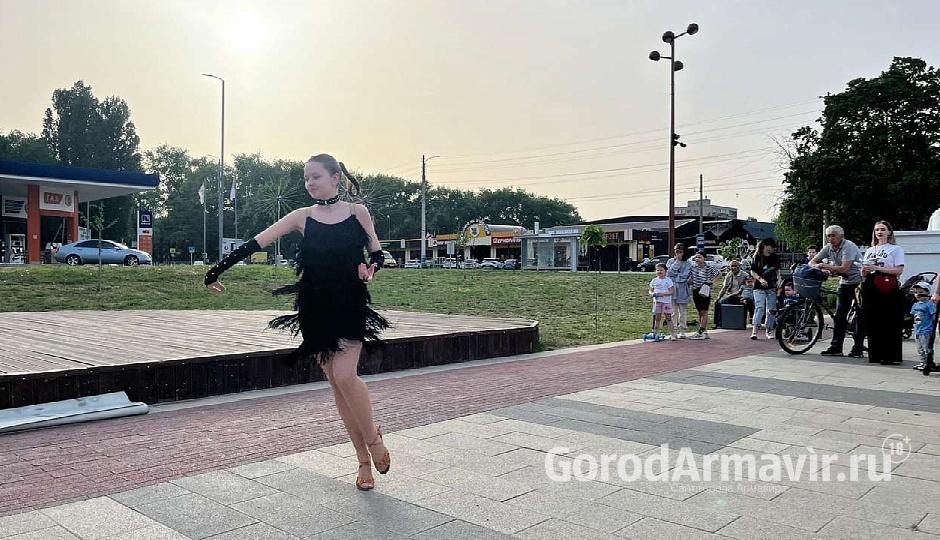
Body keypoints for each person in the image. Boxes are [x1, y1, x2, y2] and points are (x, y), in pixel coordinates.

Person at [204, 154, 392, 491]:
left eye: (315, 176)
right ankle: (363, 461)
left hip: (349, 303)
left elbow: (376, 253)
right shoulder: (301, 216)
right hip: (314, 309)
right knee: (337, 384)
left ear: (336, 178)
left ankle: (373, 438)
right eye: (306, 178)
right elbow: (255, 242)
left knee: (346, 376)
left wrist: (371, 269)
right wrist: (214, 272)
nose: (309, 183)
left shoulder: (357, 213)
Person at [810, 225, 865, 357]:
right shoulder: (828, 247)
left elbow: (845, 268)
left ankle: (858, 348)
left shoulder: (848, 246)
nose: (830, 238)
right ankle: (836, 347)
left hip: (858, 282)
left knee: (860, 315)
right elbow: (812, 261)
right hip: (844, 282)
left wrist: (825, 265)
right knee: (840, 315)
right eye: (828, 236)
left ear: (842, 236)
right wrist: (818, 267)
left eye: (833, 235)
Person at [860, 220, 905, 365]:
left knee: (889, 320)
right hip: (871, 284)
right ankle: (875, 354)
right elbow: (865, 269)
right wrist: (864, 270)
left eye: (882, 229)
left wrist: (878, 268)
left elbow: (899, 270)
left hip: (887, 284)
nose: (879, 232)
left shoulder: (896, 249)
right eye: (877, 230)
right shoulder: (869, 250)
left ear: (889, 232)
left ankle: (890, 355)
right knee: (873, 319)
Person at [750, 238, 781, 340]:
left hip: (771, 287)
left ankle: (768, 330)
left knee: (771, 309)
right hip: (759, 287)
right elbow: (753, 271)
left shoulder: (774, 257)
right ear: (765, 246)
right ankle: (755, 330)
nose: (773, 249)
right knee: (759, 307)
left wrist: (779, 279)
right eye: (771, 247)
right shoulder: (757, 257)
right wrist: (760, 279)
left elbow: (777, 270)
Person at [687, 252, 722, 339]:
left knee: (704, 311)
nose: (697, 259)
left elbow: (719, 273)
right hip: (695, 290)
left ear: (704, 258)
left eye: (699, 257)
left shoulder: (709, 267)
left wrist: (712, 281)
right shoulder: (693, 267)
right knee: (700, 312)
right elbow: (689, 277)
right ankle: (703, 330)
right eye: (696, 257)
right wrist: (690, 281)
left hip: (705, 289)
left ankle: (701, 331)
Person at [666, 243, 693, 338]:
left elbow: (685, 276)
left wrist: (676, 276)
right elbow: (669, 273)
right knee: (673, 311)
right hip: (673, 288)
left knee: (683, 311)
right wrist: (677, 262)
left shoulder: (688, 263)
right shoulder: (670, 261)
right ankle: (673, 331)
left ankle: (683, 330)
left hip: (683, 288)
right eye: (676, 252)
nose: (678, 254)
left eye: (680, 252)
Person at [713, 259, 747, 329]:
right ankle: (718, 323)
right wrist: (718, 298)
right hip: (731, 296)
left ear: (739, 266)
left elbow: (748, 288)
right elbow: (724, 287)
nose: (733, 268)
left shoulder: (745, 275)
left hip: (742, 296)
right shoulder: (729, 275)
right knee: (718, 303)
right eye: (732, 266)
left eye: (735, 266)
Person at [911, 282, 936, 371]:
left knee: (927, 348)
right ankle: (922, 362)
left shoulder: (929, 304)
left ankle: (929, 363)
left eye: (921, 292)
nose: (918, 294)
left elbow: (934, 316)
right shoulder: (915, 305)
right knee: (920, 348)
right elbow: (913, 315)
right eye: (916, 292)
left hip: (926, 330)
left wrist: (933, 326)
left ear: (927, 293)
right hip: (918, 330)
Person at [648, 263, 677, 341]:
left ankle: (673, 334)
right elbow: (650, 290)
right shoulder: (654, 280)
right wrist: (652, 294)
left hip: (666, 302)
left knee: (668, 317)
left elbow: (672, 291)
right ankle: (655, 333)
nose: (659, 272)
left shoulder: (668, 280)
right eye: (658, 270)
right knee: (657, 318)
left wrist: (663, 294)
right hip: (657, 302)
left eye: (661, 270)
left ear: (665, 271)